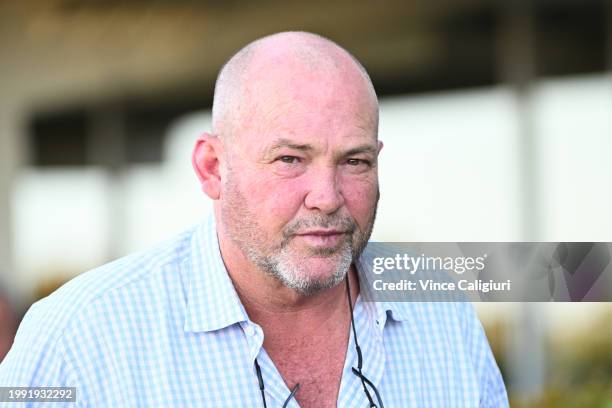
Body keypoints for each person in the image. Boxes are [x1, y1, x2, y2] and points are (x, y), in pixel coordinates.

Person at [0, 31, 508, 407]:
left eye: (355, 162)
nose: (327, 197)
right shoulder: (79, 335)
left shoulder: (441, 310)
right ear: (212, 168)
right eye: (290, 160)